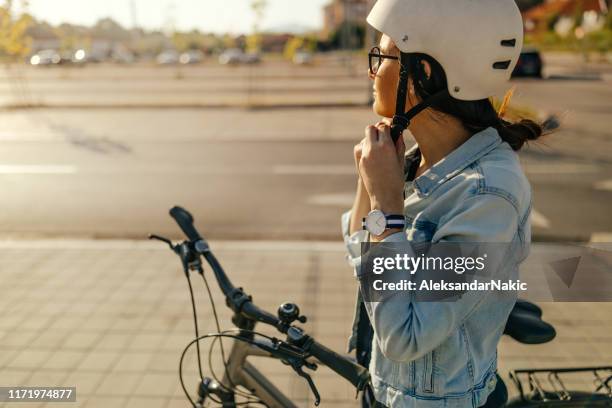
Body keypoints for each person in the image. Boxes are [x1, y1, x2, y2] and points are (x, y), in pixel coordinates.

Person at [341, 0, 545, 406]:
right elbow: (359, 251)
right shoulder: (419, 160)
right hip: (384, 390)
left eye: (382, 56)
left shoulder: (487, 195)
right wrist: (373, 182)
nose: (372, 70)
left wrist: (386, 204)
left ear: (424, 73)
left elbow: (404, 336)